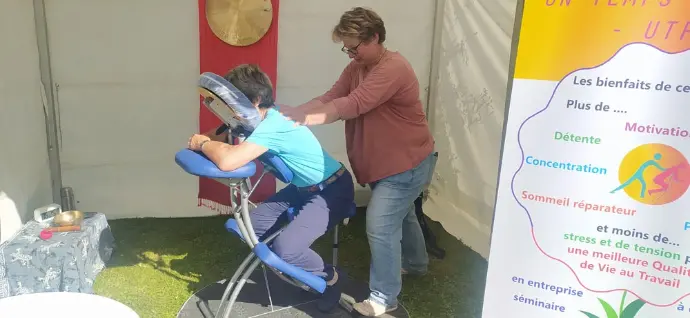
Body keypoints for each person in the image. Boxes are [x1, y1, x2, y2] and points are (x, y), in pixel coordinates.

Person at [277, 7, 435, 317]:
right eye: (346, 48)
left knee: (380, 225)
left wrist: (305, 118)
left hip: (407, 163)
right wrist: (293, 113)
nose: (350, 55)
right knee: (402, 215)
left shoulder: (393, 68)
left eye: (355, 47)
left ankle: (383, 297)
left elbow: (353, 104)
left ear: (375, 37)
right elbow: (332, 95)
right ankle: (417, 264)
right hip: (385, 163)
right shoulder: (357, 68)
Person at [187, 64, 354, 312]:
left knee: (286, 250)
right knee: (246, 228)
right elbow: (213, 138)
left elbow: (226, 159)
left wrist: (202, 144)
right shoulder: (256, 120)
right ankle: (292, 266)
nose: (230, 109)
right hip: (301, 188)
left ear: (254, 101)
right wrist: (211, 139)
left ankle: (331, 279)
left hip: (331, 190)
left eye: (233, 102)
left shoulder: (273, 126)